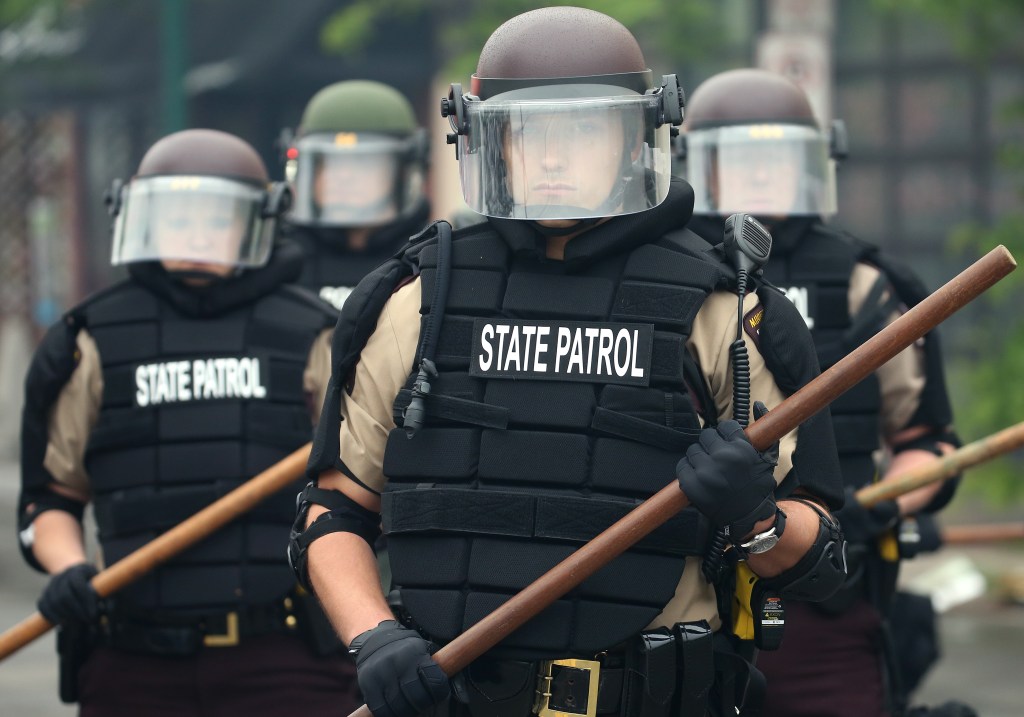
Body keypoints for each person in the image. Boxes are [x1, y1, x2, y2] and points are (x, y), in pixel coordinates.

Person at [292, 8, 848, 717]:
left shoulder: (725, 308)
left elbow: (823, 560)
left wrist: (755, 515)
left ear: (632, 137)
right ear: (486, 138)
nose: (551, 158)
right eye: (527, 134)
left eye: (581, 132)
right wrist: (372, 637)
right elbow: (333, 508)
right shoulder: (413, 300)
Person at [17, 129, 356, 716]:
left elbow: (357, 485)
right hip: (132, 660)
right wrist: (68, 567)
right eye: (177, 218)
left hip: (284, 657)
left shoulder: (317, 335)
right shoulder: (89, 341)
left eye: (216, 218)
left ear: (258, 221)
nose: (197, 235)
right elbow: (52, 494)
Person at [680, 68, 963, 717]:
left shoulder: (869, 286)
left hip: (828, 595)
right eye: (738, 159)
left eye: (775, 158)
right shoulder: (667, 278)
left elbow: (929, 443)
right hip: (687, 596)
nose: (758, 176)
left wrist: (879, 502)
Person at [282, 79, 431, 309]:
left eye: (362, 161)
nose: (344, 176)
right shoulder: (278, 264)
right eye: (328, 164)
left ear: (405, 172)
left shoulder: (432, 259)